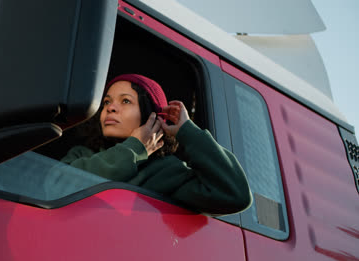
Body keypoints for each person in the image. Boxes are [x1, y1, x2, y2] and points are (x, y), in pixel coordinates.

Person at [61, 74, 252, 215]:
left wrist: (188, 131)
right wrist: (134, 148)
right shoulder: (81, 156)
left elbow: (235, 195)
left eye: (125, 101)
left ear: (151, 117)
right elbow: (55, 186)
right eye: (106, 102)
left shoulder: (167, 172)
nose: (110, 107)